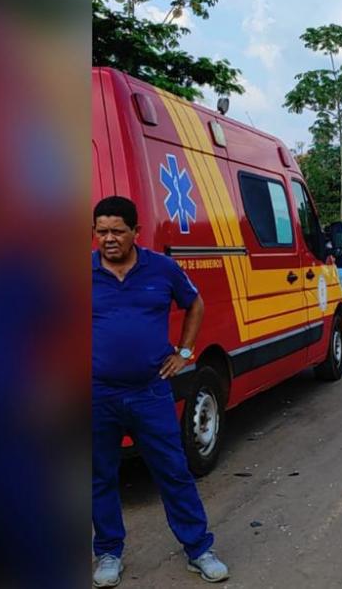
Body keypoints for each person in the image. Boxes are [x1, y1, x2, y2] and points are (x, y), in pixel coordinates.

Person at [92, 196, 229, 587]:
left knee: (173, 471)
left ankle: (199, 549)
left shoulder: (162, 269)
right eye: (101, 231)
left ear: (136, 232)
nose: (109, 239)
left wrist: (185, 352)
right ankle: (108, 552)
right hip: (96, 394)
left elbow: (195, 304)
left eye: (118, 231)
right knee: (99, 476)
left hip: (150, 393)